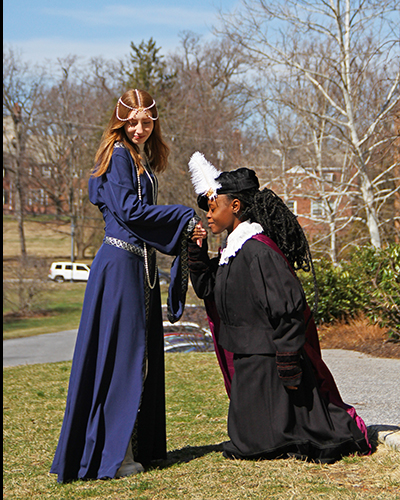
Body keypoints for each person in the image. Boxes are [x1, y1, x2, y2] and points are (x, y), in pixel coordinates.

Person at [50, 89, 199, 483]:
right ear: (120, 123)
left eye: (146, 122)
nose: (139, 129)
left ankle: (130, 447)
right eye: (131, 122)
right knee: (122, 359)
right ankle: (113, 456)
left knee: (138, 359)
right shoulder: (118, 155)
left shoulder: (138, 159)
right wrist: (182, 216)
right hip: (119, 265)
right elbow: (130, 211)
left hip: (137, 266)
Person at [186, 155, 371, 462]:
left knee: (266, 444)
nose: (208, 214)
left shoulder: (258, 250)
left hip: (272, 365)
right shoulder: (231, 251)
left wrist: (288, 362)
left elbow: (289, 309)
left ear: (234, 206)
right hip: (247, 363)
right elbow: (209, 291)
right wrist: (196, 251)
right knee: (244, 443)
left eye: (212, 205)